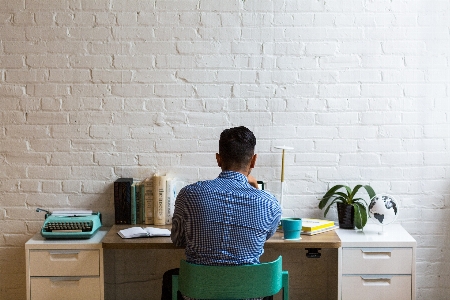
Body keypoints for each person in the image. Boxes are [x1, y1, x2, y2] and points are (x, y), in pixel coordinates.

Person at [161, 126, 282, 300]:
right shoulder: (270, 203)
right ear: (253, 161)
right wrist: (256, 189)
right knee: (264, 282)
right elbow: (263, 238)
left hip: (199, 293)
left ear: (218, 159)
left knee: (171, 277)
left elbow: (177, 240)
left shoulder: (189, 194)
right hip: (249, 293)